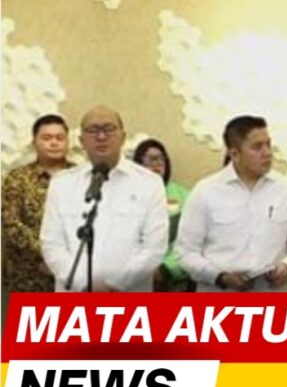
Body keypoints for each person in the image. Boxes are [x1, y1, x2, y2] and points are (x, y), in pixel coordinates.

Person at [175, 115, 287, 292]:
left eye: (268, 144)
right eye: (257, 147)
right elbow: (185, 253)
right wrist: (220, 277)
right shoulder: (205, 191)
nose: (267, 153)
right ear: (234, 154)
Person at [40, 106, 168, 292]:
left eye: (108, 129)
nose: (101, 136)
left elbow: (154, 247)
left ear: (123, 137)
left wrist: (115, 286)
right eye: (93, 130)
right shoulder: (62, 184)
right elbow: (52, 243)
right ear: (81, 140)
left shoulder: (149, 183)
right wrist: (84, 285)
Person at [2, 115, 75, 298]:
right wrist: (49, 253)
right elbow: (11, 223)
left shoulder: (81, 176)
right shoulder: (17, 178)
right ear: (34, 142)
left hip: (73, 275)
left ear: (67, 142)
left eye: (59, 138)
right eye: (47, 138)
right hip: (28, 277)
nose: (54, 143)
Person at [133, 138, 192, 291]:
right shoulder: (128, 197)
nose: (157, 163)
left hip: (172, 277)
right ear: (138, 164)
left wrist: (166, 269)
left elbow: (192, 242)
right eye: (150, 159)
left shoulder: (184, 196)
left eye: (161, 158)